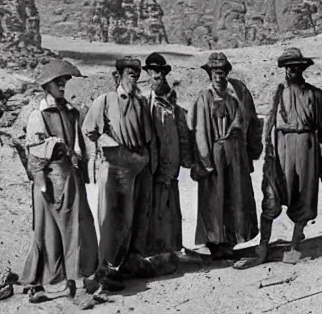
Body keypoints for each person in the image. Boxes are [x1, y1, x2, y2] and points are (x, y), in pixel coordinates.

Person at [234, 47, 322, 269]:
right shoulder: (278, 93)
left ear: (302, 68)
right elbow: (267, 124)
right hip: (280, 149)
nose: (293, 70)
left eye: (296, 66)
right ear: (284, 69)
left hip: (306, 149)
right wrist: (266, 151)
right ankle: (263, 247)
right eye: (289, 67)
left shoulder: (314, 95)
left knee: (304, 197)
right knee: (272, 196)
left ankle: (295, 246)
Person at [20, 59, 98, 302]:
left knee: (78, 228)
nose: (63, 85)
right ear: (47, 85)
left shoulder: (71, 112)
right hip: (50, 183)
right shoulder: (38, 114)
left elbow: (78, 146)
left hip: (70, 180)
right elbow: (34, 152)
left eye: (64, 82)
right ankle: (54, 282)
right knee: (50, 233)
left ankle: (78, 278)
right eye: (58, 82)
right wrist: (42, 182)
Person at [82, 56, 157, 289]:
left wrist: (144, 158)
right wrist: (108, 147)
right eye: (129, 72)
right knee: (113, 218)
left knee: (136, 216)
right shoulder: (104, 101)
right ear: (119, 75)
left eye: (136, 73)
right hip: (114, 167)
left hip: (138, 166)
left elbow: (147, 136)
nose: (133, 76)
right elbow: (89, 130)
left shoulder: (141, 102)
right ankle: (105, 270)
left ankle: (129, 264)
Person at [190, 52, 262, 260]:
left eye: (221, 72)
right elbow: (200, 131)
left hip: (235, 155)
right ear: (209, 74)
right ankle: (215, 242)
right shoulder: (204, 98)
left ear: (226, 73)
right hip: (215, 155)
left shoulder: (235, 96)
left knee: (235, 196)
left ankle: (231, 240)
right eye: (214, 72)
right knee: (214, 198)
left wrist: (249, 153)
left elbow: (250, 122)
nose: (218, 76)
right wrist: (205, 161)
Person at [143, 53, 193, 258]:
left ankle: (172, 247)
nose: (157, 76)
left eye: (160, 72)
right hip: (152, 165)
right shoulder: (144, 102)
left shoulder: (174, 105)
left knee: (170, 205)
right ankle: (154, 249)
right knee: (153, 206)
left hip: (170, 164)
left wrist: (186, 159)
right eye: (153, 72)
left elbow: (182, 133)